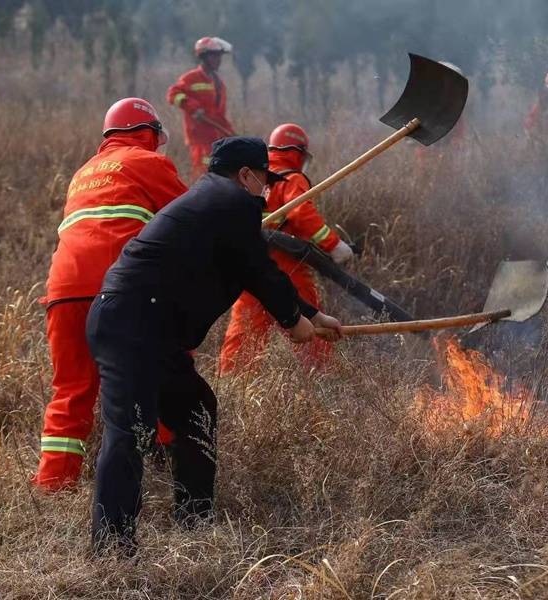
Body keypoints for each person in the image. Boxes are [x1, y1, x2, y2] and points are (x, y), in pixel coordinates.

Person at [86, 136, 343, 554]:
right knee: (130, 431)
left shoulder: (216, 203)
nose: (266, 190)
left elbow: (249, 268)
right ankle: (111, 549)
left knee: (195, 408)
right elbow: (259, 269)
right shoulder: (232, 203)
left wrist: (310, 316)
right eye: (264, 180)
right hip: (131, 324)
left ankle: (195, 520)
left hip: (148, 327)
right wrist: (294, 322)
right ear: (245, 174)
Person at [32, 98, 187, 492]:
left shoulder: (83, 173)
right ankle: (168, 462)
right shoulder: (149, 163)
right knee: (166, 367)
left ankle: (54, 483)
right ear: (149, 132)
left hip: (64, 292)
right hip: (119, 291)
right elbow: (192, 215)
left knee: (70, 388)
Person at [218, 123, 353, 374]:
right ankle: (322, 377)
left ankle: (232, 380)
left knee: (246, 328)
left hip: (251, 265)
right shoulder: (291, 177)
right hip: (288, 265)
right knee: (311, 323)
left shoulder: (254, 175)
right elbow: (302, 214)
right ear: (297, 151)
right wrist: (335, 246)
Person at [166, 36, 235, 182]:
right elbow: (173, 94)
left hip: (215, 138)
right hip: (198, 137)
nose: (218, 60)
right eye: (214, 56)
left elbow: (219, 114)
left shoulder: (219, 83)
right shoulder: (191, 78)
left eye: (219, 56)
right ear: (203, 57)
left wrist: (231, 133)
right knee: (202, 175)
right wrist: (192, 107)